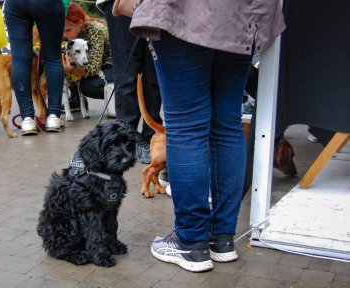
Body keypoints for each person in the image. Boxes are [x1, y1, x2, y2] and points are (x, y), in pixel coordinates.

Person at [130, 0, 285, 272]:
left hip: (187, 12)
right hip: (242, 14)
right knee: (227, 125)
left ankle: (190, 243)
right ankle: (222, 239)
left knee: (186, 126)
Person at [97, 0, 163, 164]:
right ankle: (124, 140)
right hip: (121, 4)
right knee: (126, 75)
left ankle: (151, 137)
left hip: (158, 5)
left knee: (154, 76)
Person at [4, 0, 66, 135]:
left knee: (19, 58)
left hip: (14, 4)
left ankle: (27, 120)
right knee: (53, 57)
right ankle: (54, 117)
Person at [63, 3, 113, 105]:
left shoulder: (95, 30)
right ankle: (76, 99)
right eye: (62, 31)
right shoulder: (73, 34)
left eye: (68, 30)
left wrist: (66, 69)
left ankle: (124, 93)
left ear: (80, 23)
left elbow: (93, 68)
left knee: (88, 86)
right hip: (99, 67)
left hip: (113, 67)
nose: (64, 35)